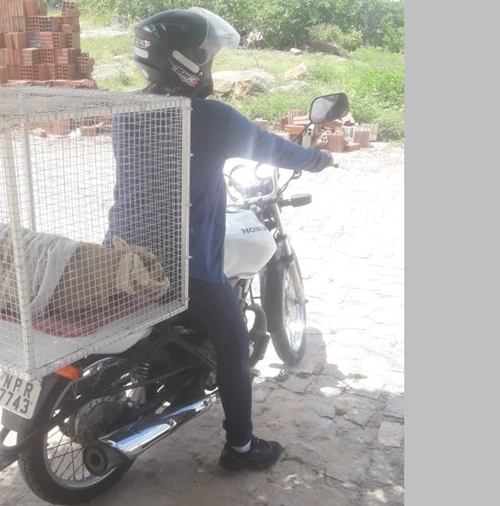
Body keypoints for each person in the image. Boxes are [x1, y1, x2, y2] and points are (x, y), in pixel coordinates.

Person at [104, 7, 335, 472]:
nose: (210, 62)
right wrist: (317, 160)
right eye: (206, 55)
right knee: (234, 344)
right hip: (180, 265)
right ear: (189, 61)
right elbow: (275, 149)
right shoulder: (211, 119)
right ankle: (242, 447)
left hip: (121, 253)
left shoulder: (126, 109)